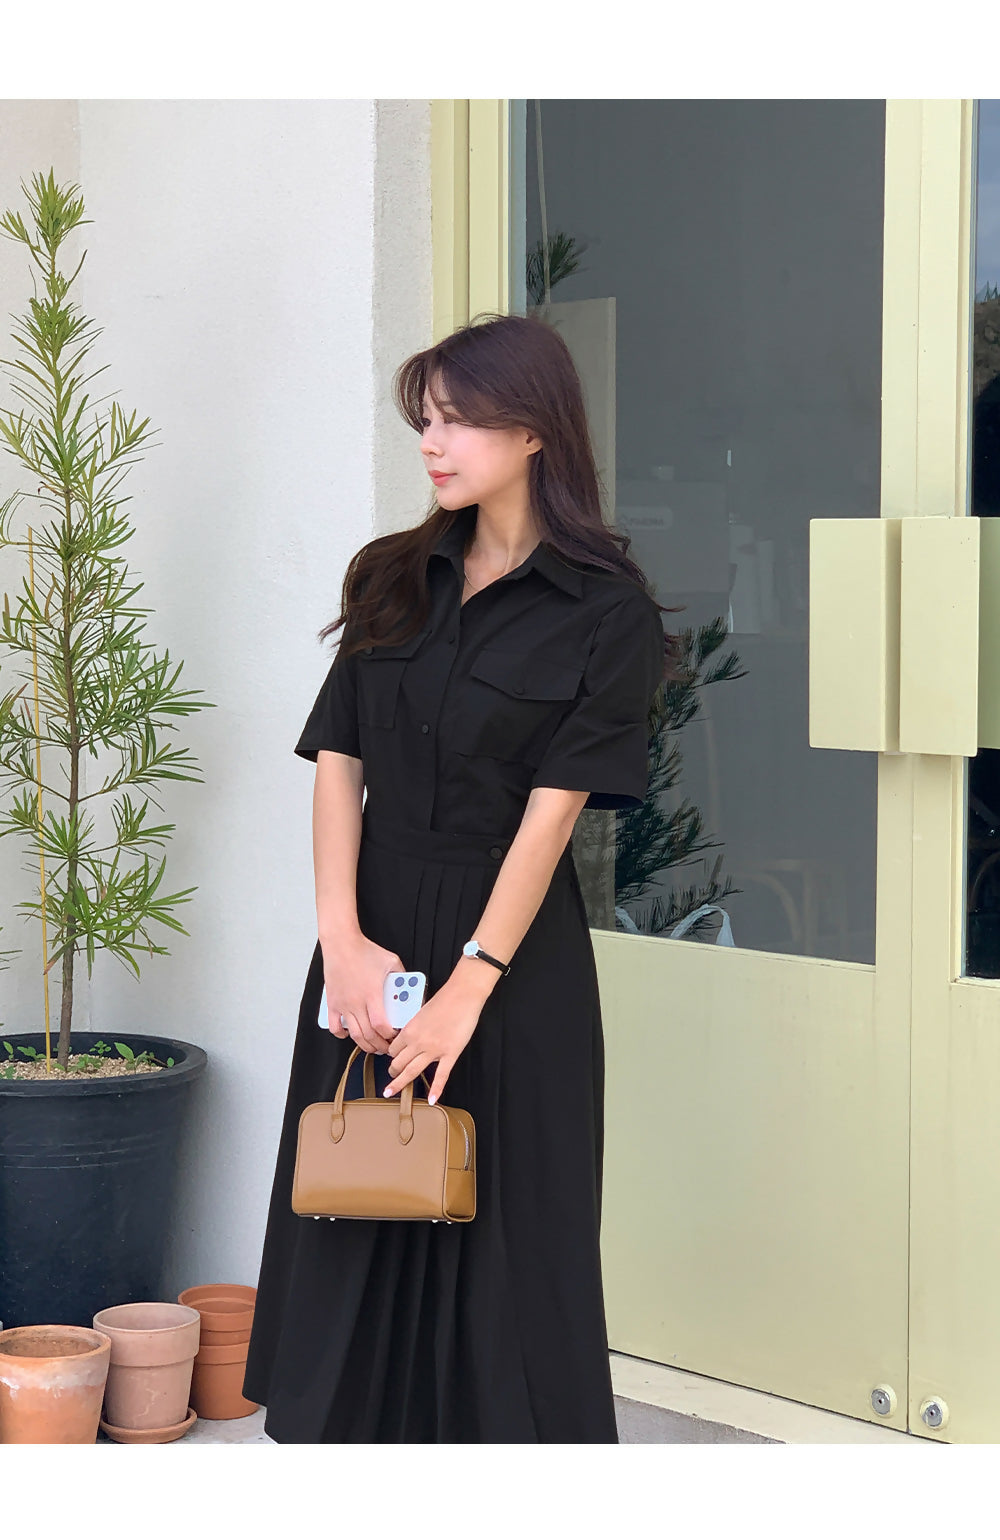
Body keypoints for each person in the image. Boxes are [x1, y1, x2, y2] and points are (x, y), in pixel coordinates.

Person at [241, 310, 672, 1442]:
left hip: (511, 959)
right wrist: (342, 940)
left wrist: (470, 987)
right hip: (373, 937)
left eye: (460, 420)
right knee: (356, 1194)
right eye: (425, 420)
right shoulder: (391, 576)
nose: (433, 444)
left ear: (534, 432)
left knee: (510, 1232)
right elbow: (338, 765)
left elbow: (551, 818)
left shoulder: (606, 610)